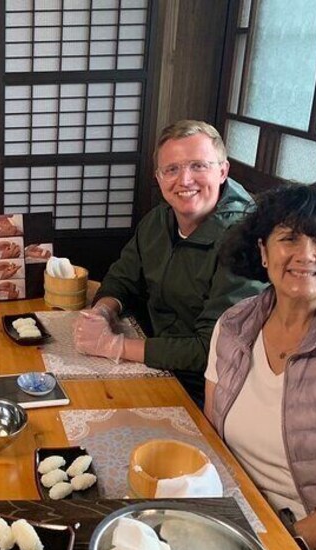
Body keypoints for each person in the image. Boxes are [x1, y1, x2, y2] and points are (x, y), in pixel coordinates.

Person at [205, 183, 316, 550]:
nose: (305, 255)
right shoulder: (234, 325)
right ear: (263, 252)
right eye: (289, 238)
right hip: (242, 521)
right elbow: (213, 442)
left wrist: (275, 545)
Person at [74, 120, 265, 405]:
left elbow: (212, 348)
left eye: (198, 166)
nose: (185, 180)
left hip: (213, 391)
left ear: (223, 171)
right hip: (155, 366)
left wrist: (116, 345)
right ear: (158, 177)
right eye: (172, 169)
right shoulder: (157, 221)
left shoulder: (245, 239)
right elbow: (122, 278)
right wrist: (102, 312)